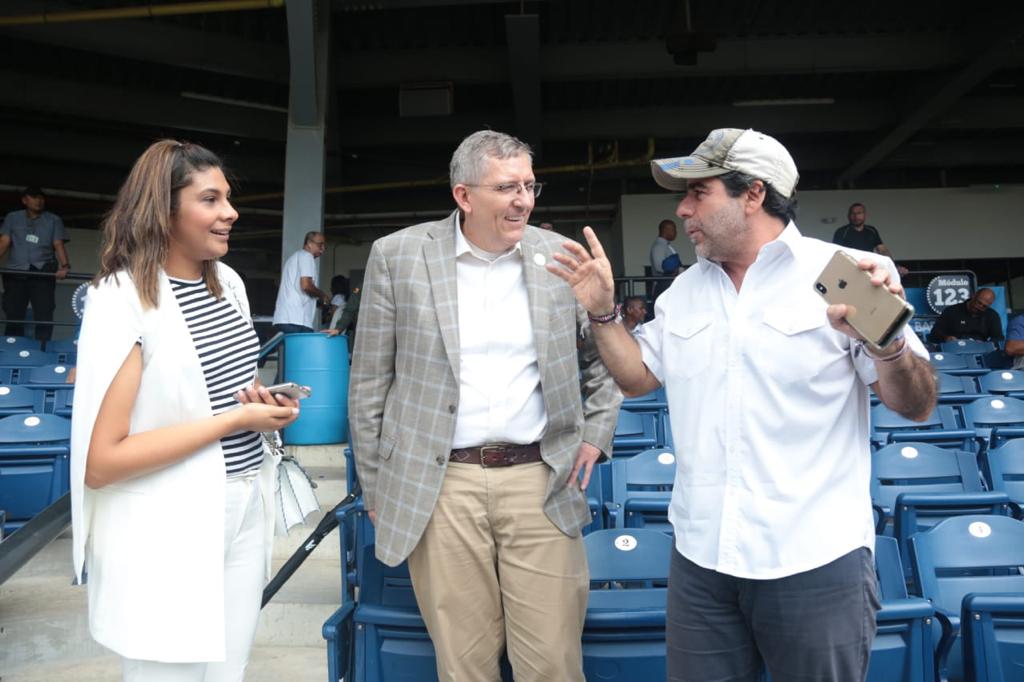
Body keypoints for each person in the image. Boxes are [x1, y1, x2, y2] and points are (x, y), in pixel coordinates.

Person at [548, 127, 937, 682]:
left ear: (753, 194)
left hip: (813, 560)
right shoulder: (684, 291)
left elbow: (916, 405)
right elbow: (636, 377)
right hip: (702, 560)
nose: (682, 210)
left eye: (698, 193)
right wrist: (603, 313)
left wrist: (888, 340)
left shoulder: (842, 272)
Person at [348, 129, 621, 681]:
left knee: (552, 663)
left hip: (541, 478)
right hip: (442, 482)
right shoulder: (398, 256)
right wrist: (376, 485)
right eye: (506, 187)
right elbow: (370, 381)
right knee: (464, 663)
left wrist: (597, 431)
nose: (523, 200)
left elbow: (606, 352)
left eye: (529, 185)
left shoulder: (559, 257)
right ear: (464, 196)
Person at [70, 140, 300, 681]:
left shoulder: (231, 286)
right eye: (211, 199)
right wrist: (235, 421)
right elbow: (102, 461)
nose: (231, 212)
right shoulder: (119, 298)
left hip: (245, 503)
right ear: (164, 211)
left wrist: (263, 406)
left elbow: (221, 393)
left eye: (228, 199)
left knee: (228, 671)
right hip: (164, 522)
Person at [0, 186, 71, 341]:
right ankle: (13, 345)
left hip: (42, 270)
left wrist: (65, 266)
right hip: (16, 270)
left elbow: (58, 244)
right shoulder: (13, 217)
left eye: (41, 197)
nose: (38, 201)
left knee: (44, 311)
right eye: (34, 197)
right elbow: (4, 241)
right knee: (13, 311)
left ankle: (42, 347)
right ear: (24, 200)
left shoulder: (53, 219)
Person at [272, 231, 329, 334]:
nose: (323, 248)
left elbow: (299, 291)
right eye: (320, 244)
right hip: (296, 320)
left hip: (287, 318)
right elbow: (306, 285)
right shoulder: (307, 257)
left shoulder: (295, 257)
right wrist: (323, 295)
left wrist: (318, 302)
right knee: (302, 349)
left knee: (290, 350)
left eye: (324, 246)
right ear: (309, 243)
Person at [832, 203, 909, 275]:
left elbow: (883, 250)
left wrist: (895, 267)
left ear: (864, 215)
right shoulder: (841, 232)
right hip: (849, 270)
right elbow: (836, 253)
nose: (856, 216)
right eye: (853, 213)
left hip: (868, 269)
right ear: (849, 216)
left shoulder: (872, 231)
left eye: (859, 213)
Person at [927, 287, 1003, 344]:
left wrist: (987, 344)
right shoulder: (951, 311)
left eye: (984, 306)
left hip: (980, 350)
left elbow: (998, 338)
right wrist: (946, 338)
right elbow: (935, 333)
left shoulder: (992, 315)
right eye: (979, 302)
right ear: (973, 296)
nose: (980, 306)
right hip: (954, 348)